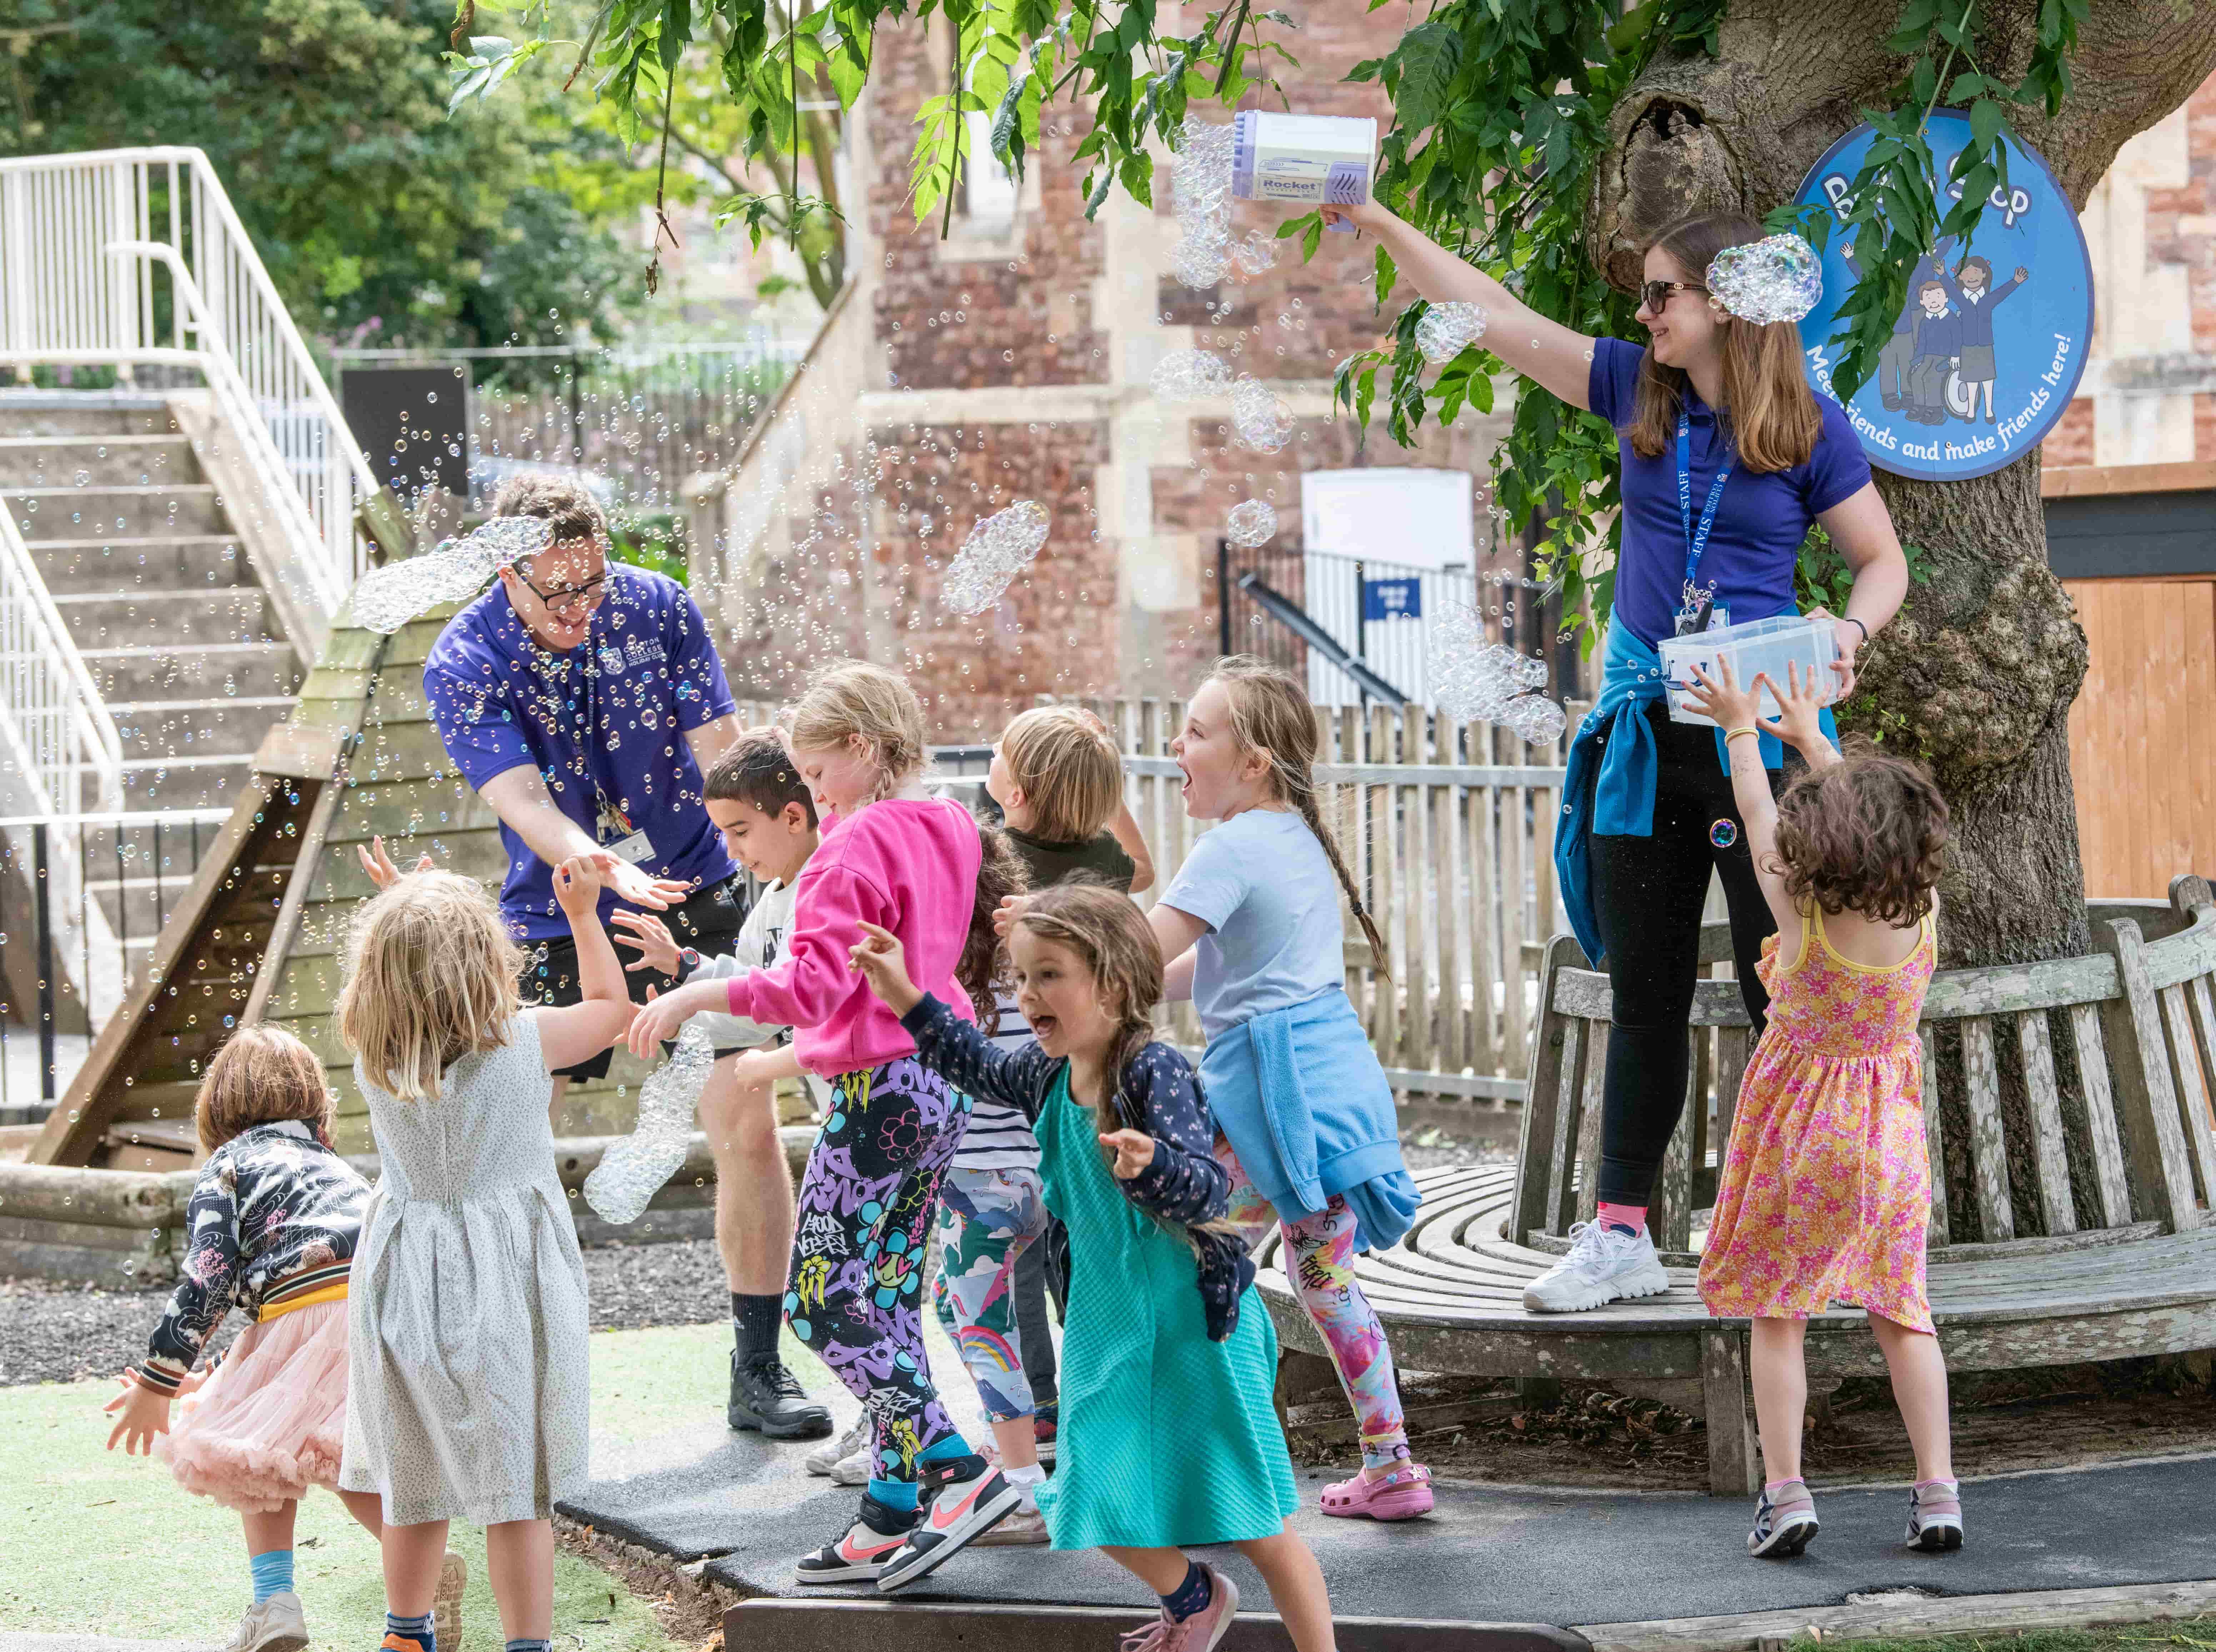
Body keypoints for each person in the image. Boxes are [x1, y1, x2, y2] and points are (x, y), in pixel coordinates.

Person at [1317, 199, 1911, 1314]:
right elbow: (1487, 313)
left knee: (1783, 983)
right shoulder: (1634, 391)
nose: (1641, 314)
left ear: (1724, 304)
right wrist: (1384, 219)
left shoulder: (1808, 430)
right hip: (1647, 737)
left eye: (1660, 295)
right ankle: (1620, 1236)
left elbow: (1881, 563)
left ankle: (1800, 1216)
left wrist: (1848, 631)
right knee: (1644, 990)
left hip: (1762, 746)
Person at [420, 474, 826, 1439]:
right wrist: (594, 866)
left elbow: (721, 748)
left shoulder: (658, 608)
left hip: (698, 883)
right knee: (512, 1133)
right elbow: (521, 799)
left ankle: (758, 1368)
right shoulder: (464, 656)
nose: (578, 610)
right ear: (504, 571)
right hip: (558, 902)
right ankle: (496, 1373)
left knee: (745, 1118)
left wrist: (782, 847)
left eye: (591, 585)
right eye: (556, 594)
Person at [852, 884, 1337, 1652]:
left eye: (1049, 974)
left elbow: (1209, 1188)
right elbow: (974, 1063)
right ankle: (1197, 1596)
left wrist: (1152, 1168)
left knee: (1254, 1521)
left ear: (1110, 981)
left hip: (1194, 1331)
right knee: (1086, 1496)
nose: (1027, 993)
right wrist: (906, 993)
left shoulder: (1153, 1072)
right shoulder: (1047, 1077)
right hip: (1107, 1329)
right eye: (1021, 977)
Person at [626, 661, 1025, 1592]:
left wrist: (696, 990)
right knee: (884, 1302)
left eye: (811, 774)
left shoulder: (846, 849)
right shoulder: (949, 827)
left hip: (878, 1094)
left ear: (859, 748)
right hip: (940, 1078)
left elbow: (808, 990)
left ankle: (953, 1468)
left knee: (821, 1301)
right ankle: (891, 1508)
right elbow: (898, 969)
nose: (806, 794)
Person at [1131, 656, 1432, 1521]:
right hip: (1326, 1080)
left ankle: (1211, 1467)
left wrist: (1055, 964)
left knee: (1190, 1261)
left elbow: (1139, 954)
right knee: (1323, 1278)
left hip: (1270, 1102)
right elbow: (1217, 969)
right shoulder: (1291, 835)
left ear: (1252, 760)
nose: (1176, 744)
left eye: (1195, 731)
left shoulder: (1229, 846)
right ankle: (1393, 1466)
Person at [1683, 659, 1957, 1559]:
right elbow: (1852, 823)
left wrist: (1739, 726)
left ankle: (1787, 1493)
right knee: (1901, 1313)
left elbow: (1759, 816)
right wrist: (1812, 738)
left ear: (1817, 854)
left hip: (1802, 1139)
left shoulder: (1797, 914)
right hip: (1889, 1140)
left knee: (1778, 1311)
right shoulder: (1922, 917)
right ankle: (1937, 1494)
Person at [334, 857, 633, 1652]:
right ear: (484, 962)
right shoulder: (528, 1042)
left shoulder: (379, 1058)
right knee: (517, 1489)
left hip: (402, 1281)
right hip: (504, 1285)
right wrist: (580, 914)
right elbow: (610, 1007)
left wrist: (410, 908)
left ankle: (407, 1633)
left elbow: (414, 973)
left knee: (414, 1478)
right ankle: (525, 1645)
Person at [102, 1025, 388, 1652]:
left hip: (301, 1313)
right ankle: (420, 1556)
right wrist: (233, 1371)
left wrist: (161, 1381)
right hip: (379, 1315)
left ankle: (276, 1602)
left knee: (256, 1455)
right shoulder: (338, 1167)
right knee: (340, 1456)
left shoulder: (227, 1168)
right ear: (315, 1101)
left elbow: (208, 1280)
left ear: (219, 1103)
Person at [606, 731, 842, 1437]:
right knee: (840, 1289)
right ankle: (894, 1426)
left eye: (741, 832)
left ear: (794, 816)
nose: (733, 851)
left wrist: (688, 999)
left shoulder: (831, 884)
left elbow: (804, 998)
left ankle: (921, 1433)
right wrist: (682, 968)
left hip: (876, 1112)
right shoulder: (770, 896)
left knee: (850, 1288)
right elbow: (752, 993)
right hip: (844, 1117)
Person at [1941, 255, 2029, 425]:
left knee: (1988, 381)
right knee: (1970, 381)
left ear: (1984, 275)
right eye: (1966, 272)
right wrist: (1943, 274)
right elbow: (1951, 291)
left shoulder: (1988, 300)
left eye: (1976, 272)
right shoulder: (1962, 300)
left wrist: (2016, 282)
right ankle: (1971, 411)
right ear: (1960, 277)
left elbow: (2001, 294)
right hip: (1967, 347)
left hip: (1985, 346)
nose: (1971, 276)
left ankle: (1989, 411)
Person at [1904, 279, 1961, 427]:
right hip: (1927, 357)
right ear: (1922, 302)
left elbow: (1958, 338)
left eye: (1937, 297)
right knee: (1916, 375)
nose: (1934, 302)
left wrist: (1955, 355)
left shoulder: (1952, 319)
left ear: (1946, 299)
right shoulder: (1925, 321)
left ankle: (1935, 408)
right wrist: (1917, 361)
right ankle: (1919, 405)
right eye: (1929, 298)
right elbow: (1921, 343)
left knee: (1933, 377)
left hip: (1945, 357)